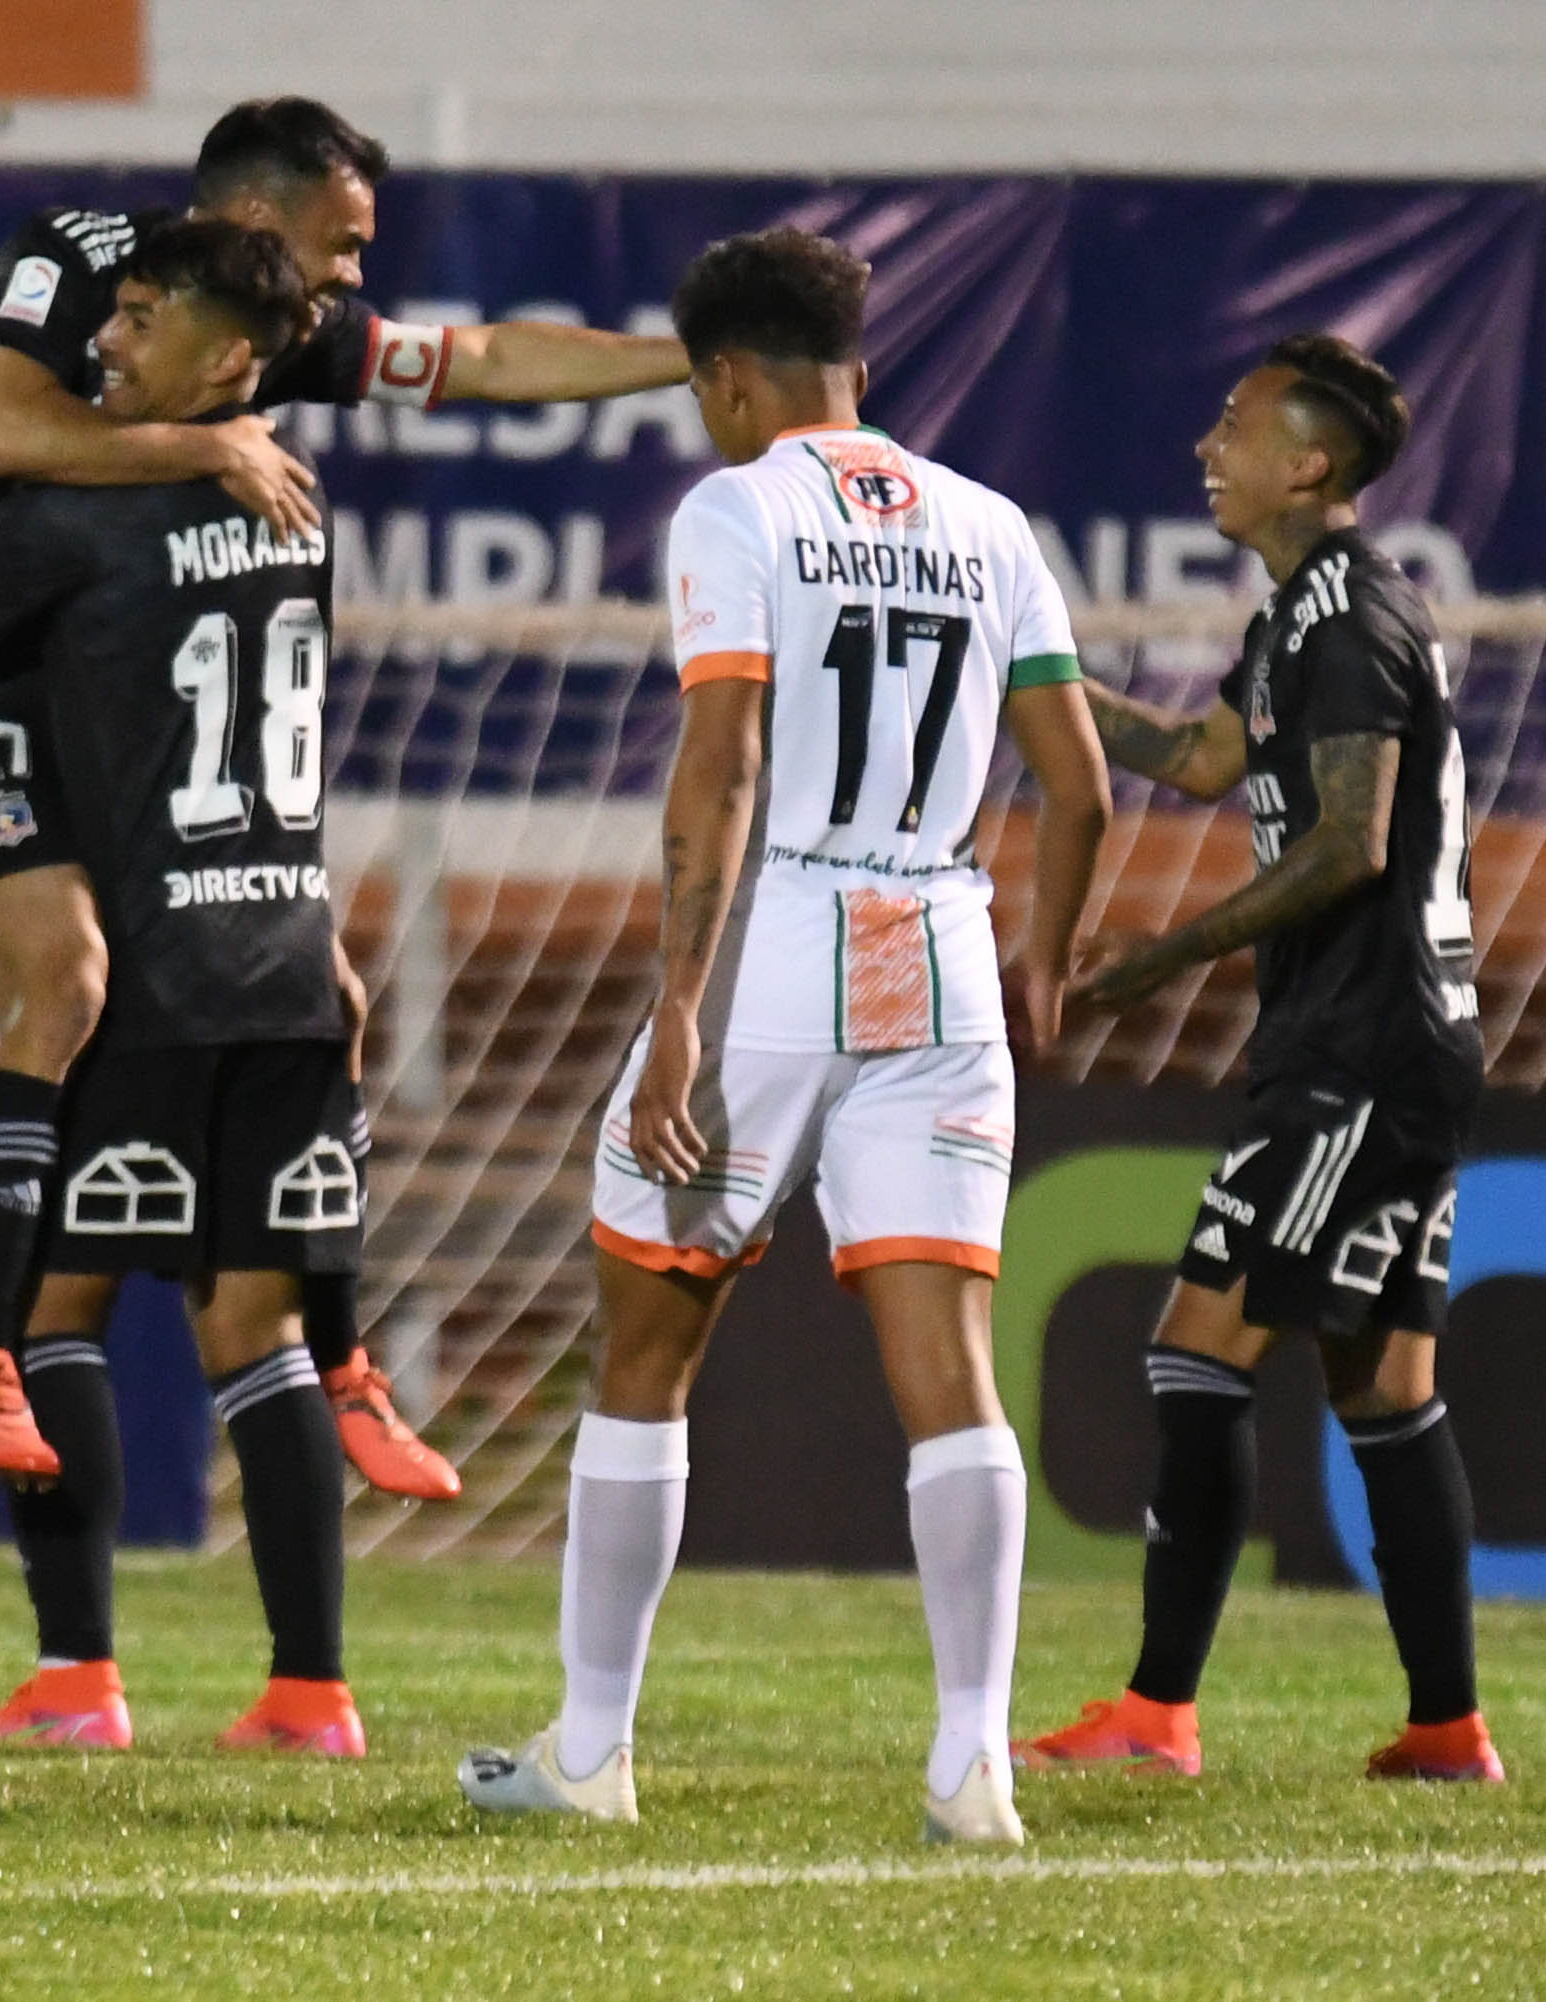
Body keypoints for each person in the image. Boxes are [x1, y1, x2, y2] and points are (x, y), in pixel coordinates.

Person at [0, 95, 694, 1501]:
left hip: (139, 709)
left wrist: (688, 359)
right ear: (257, 221)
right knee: (67, 974)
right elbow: (9, 431)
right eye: (341, 244)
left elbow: (479, 359)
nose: (353, 278)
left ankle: (338, 1368)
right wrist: (207, 447)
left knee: (321, 992)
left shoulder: (273, 326)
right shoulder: (83, 261)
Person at [453, 229, 1112, 1839]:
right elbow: (1084, 784)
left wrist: (678, 1011)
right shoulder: (987, 521)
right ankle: (974, 1764)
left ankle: (591, 1748)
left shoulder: (738, 506)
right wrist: (1040, 967)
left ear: (726, 381)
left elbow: (724, 765)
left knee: (647, 1342)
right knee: (951, 1370)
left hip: (778, 945)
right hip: (942, 943)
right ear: (857, 368)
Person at [0, 218, 369, 1756]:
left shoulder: (71, 518)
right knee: (251, 1326)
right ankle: (310, 1691)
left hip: (153, 953)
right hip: (284, 950)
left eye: (142, 324)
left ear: (225, 359)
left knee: (60, 1301)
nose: (108, 343)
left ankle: (76, 1675)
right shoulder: (296, 503)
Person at [1015, 333, 1500, 1784]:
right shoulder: (1296, 618)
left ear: (1308, 463)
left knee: (1192, 1347)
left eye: (1230, 427)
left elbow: (1351, 842)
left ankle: (1156, 1714)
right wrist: (1023, 676)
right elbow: (1197, 757)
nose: (1201, 449)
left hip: (1358, 1050)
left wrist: (1153, 961)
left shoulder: (1351, 621)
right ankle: (1445, 1726)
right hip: (1389, 1047)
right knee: (1382, 1388)